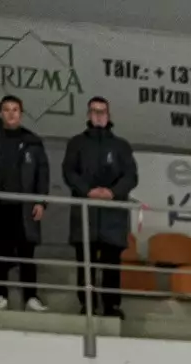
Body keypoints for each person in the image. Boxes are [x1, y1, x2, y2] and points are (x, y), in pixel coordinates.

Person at [62, 97, 137, 319]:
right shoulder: (76, 143)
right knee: (86, 263)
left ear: (109, 115)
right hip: (85, 214)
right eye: (94, 111)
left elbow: (131, 176)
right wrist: (88, 191)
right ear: (88, 115)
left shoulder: (121, 146)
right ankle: (88, 304)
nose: (98, 115)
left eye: (102, 111)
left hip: (113, 215)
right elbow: (69, 172)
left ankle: (111, 306)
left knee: (112, 264)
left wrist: (112, 193)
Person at [0, 95, 49, 311]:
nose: (11, 113)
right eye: (6, 109)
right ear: (0, 113)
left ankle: (31, 297)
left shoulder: (32, 141)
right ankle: (0, 296)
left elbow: (42, 174)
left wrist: (41, 201)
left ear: (21, 113)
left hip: (24, 207)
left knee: (27, 252)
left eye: (15, 109)